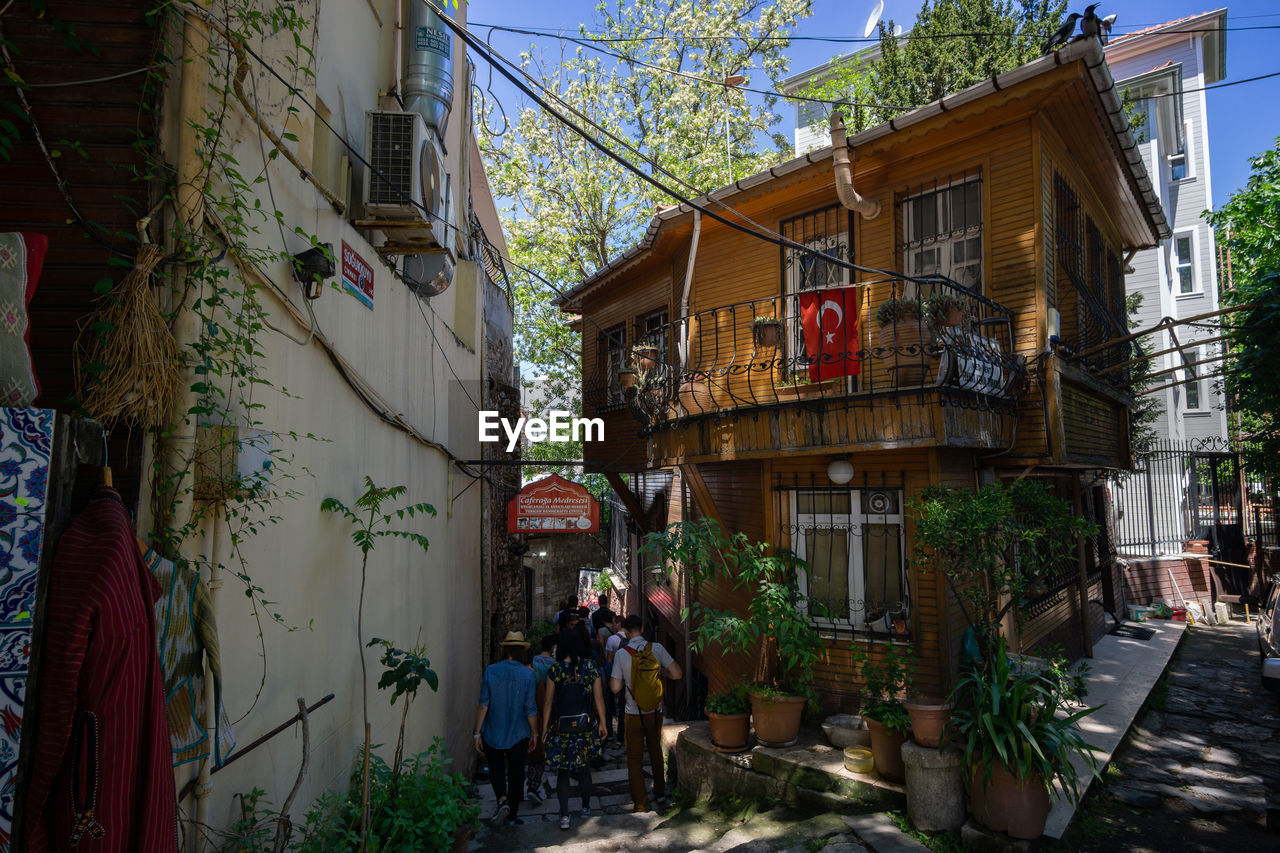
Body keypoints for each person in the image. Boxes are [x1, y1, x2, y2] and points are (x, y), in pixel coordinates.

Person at [610, 615, 682, 813]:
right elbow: (677, 673)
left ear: (624, 630)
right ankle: (660, 794)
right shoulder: (657, 649)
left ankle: (640, 804)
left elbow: (615, 688)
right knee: (655, 752)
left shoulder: (621, 654)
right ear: (642, 628)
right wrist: (661, 673)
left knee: (634, 760)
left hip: (633, 713)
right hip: (655, 711)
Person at [542, 627, 606, 830]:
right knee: (584, 768)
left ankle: (564, 816)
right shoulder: (590, 667)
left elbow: (548, 703)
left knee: (563, 771)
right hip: (585, 728)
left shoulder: (555, 670)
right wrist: (603, 722)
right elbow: (598, 698)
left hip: (562, 729)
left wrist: (544, 728)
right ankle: (586, 808)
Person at [473, 631, 538, 826]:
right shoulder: (528, 674)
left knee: (496, 768)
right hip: (519, 732)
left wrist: (477, 733)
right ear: (521, 652)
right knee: (517, 773)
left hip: (493, 729)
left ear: (505, 650)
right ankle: (512, 815)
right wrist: (534, 733)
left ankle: (502, 799)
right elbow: (530, 708)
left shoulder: (491, 671)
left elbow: (484, 703)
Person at [526, 635, 557, 803]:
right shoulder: (552, 663)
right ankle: (533, 783)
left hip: (530, 703)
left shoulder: (534, 661)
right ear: (552, 646)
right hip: (544, 703)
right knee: (539, 750)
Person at [597, 612, 624, 742]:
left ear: (618, 624)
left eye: (615, 623)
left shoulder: (612, 640)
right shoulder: (629, 638)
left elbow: (609, 658)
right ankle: (623, 732)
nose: (613, 626)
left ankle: (617, 731)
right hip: (628, 675)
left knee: (615, 701)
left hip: (615, 674)